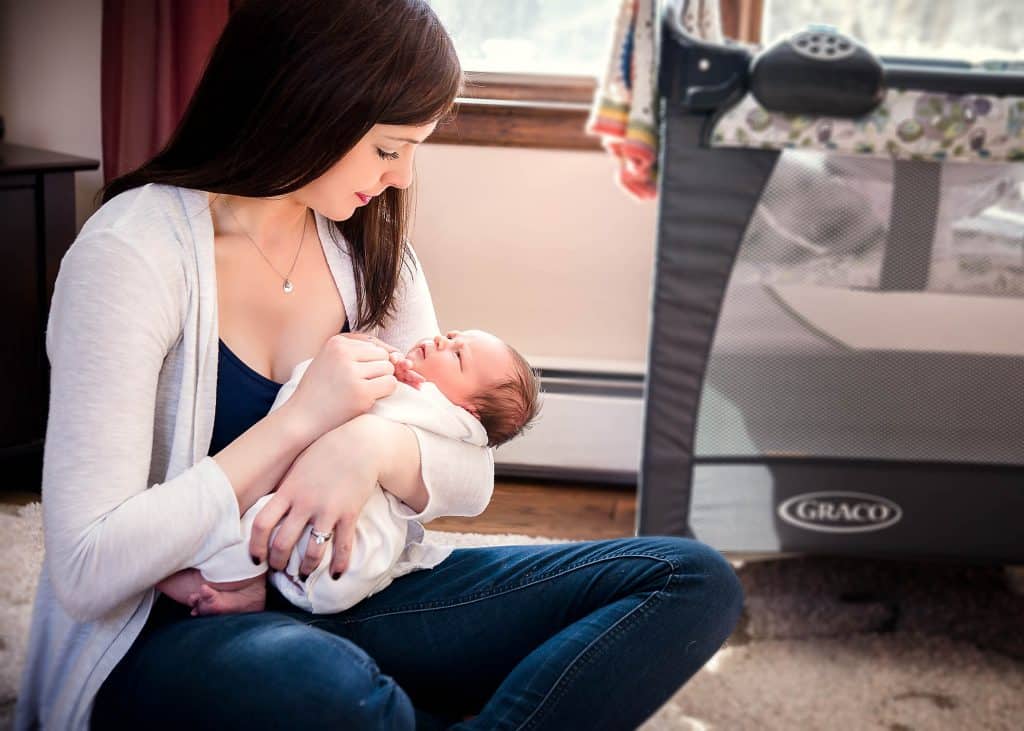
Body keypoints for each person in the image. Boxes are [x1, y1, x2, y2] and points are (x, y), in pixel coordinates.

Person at [14, 1, 744, 729]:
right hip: (179, 621)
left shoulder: (366, 251)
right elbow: (86, 568)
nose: (400, 178)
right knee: (337, 694)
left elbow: (472, 472)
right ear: (309, 104)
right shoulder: (133, 255)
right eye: (390, 148)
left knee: (690, 580)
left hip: (352, 591)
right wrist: (300, 422)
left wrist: (366, 446)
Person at [157, 328, 542, 617]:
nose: (442, 340)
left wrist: (370, 427)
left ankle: (222, 579)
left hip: (343, 545)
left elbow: (476, 479)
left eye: (458, 356)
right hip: (359, 565)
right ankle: (245, 585)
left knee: (258, 521)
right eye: (453, 335)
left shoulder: (431, 405)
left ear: (470, 412)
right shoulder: (437, 411)